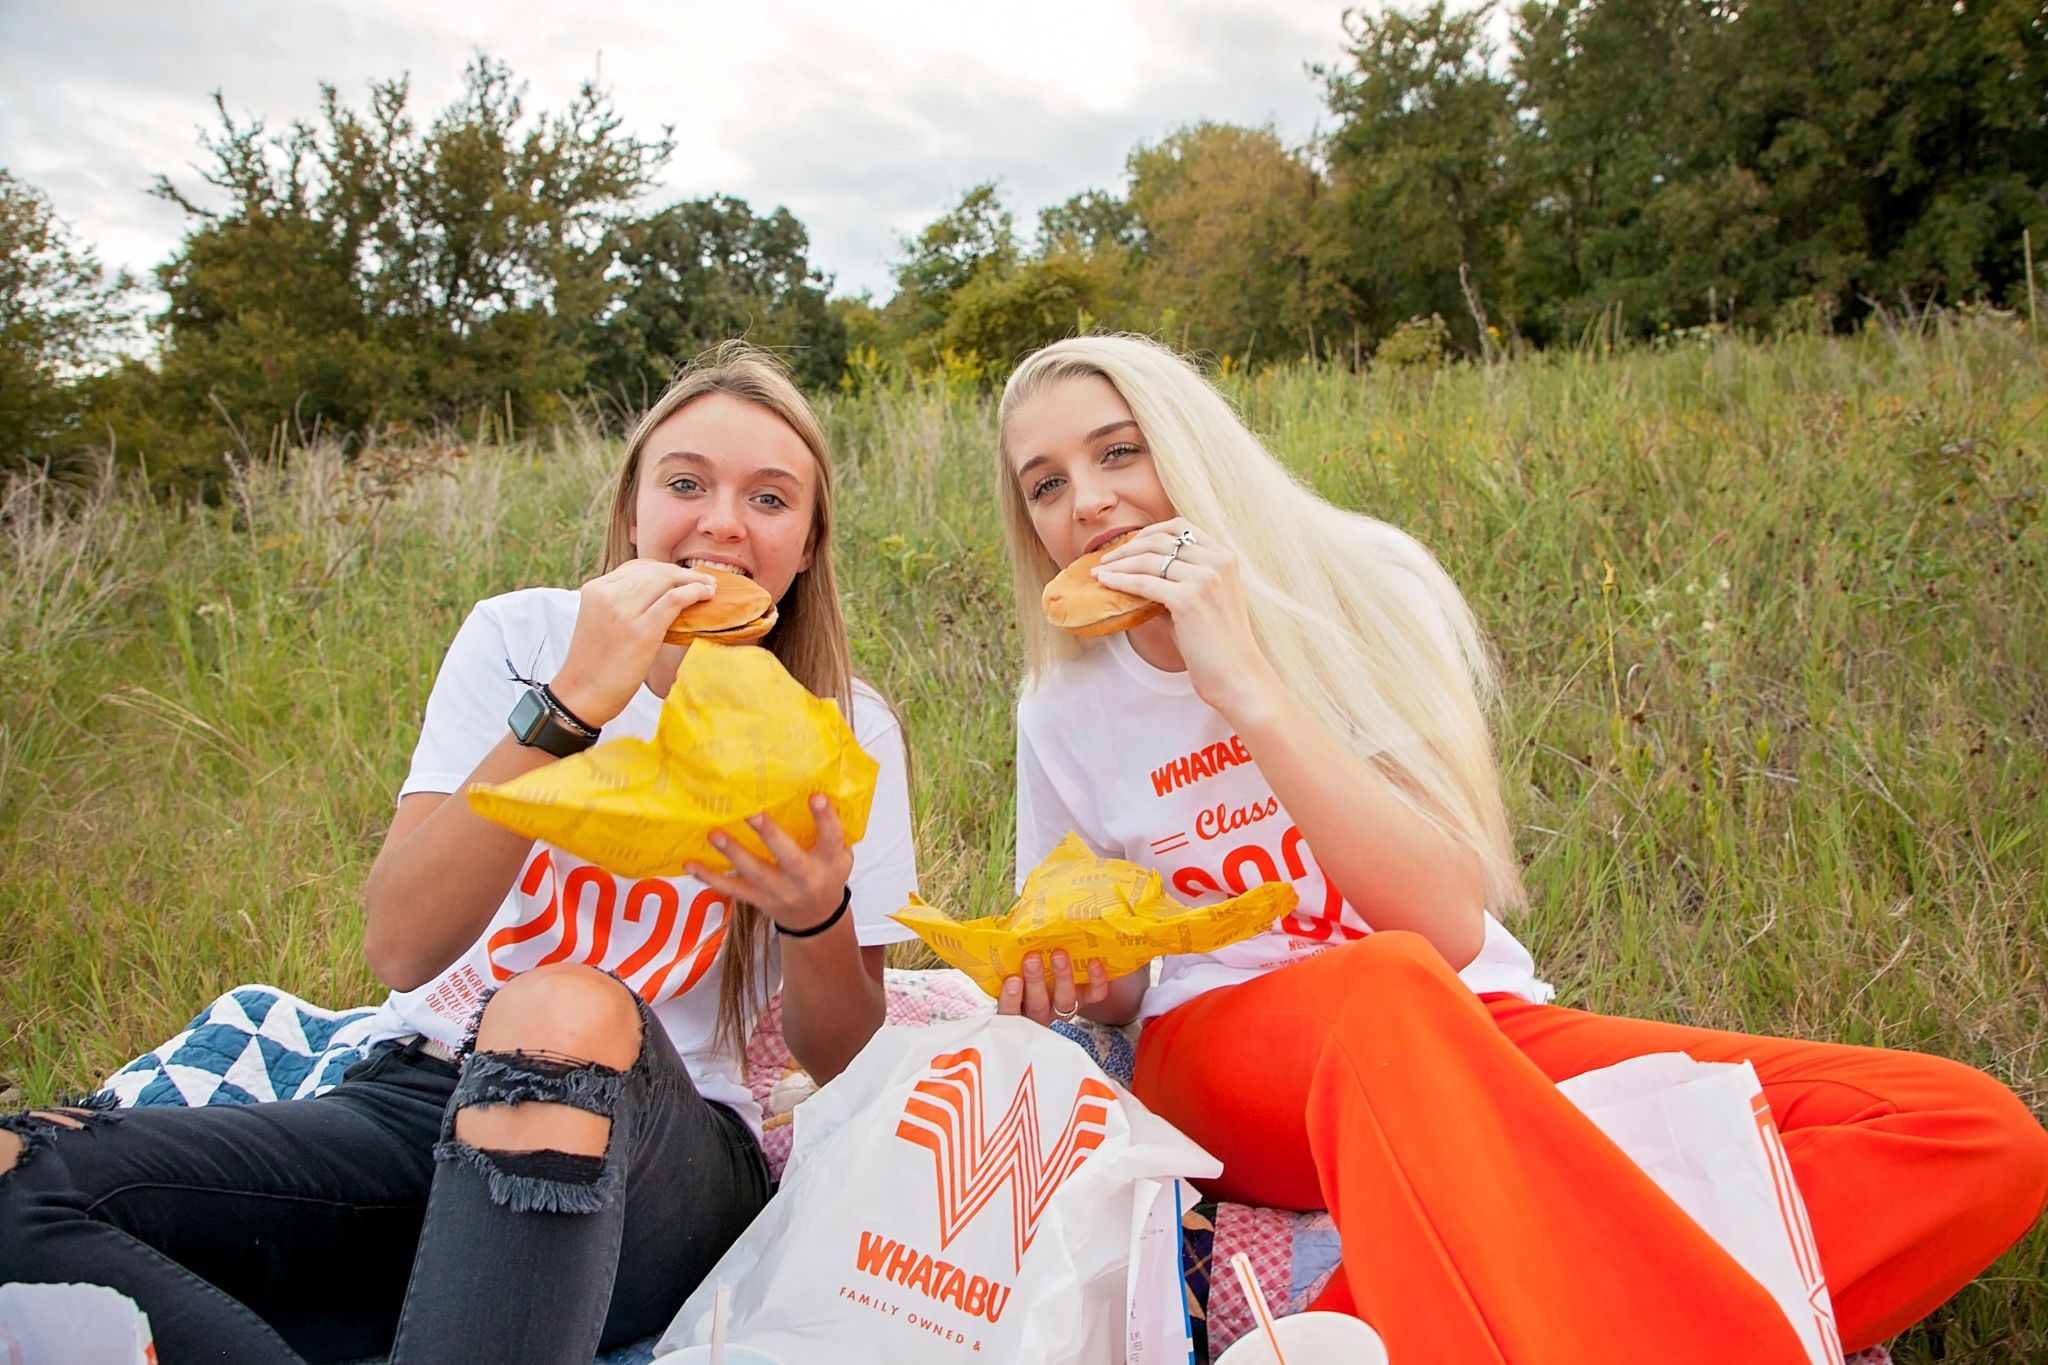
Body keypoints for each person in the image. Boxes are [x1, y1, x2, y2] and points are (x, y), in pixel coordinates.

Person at [990, 333, 2048, 1362]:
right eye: (1044, 484)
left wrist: (1245, 685)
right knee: (1379, 987)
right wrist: (1076, 975)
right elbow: (1124, 982)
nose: (1086, 501)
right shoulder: (1062, 707)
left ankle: (1374, 1326)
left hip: (1469, 1022)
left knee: (1970, 1136)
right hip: (1225, 1059)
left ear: (1193, 445)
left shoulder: (1365, 586)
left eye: (1117, 451)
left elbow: (1445, 926)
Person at [0, 343, 919, 1365]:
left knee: (562, 1003)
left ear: (805, 546)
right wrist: (567, 709)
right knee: (16, 1174)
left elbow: (843, 1057)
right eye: (686, 482)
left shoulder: (842, 725)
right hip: (424, 1102)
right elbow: (401, 947)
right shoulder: (523, 640)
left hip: (662, 1156)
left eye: (770, 498)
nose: (720, 522)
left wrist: (812, 912)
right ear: (630, 512)